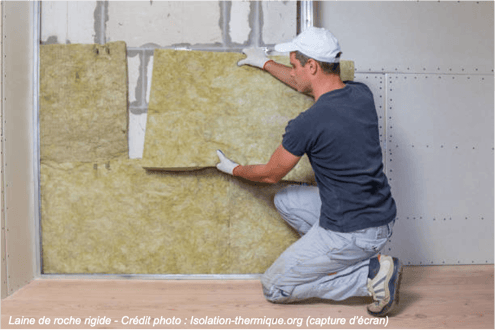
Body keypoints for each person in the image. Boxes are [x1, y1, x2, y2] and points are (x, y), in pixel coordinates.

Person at [215, 27, 402, 317]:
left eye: (294, 65)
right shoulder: (360, 94)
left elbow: (269, 174)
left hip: (351, 230)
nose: (292, 72)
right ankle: (344, 258)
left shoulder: (308, 123)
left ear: (312, 66)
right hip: (380, 218)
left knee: (275, 288)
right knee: (286, 200)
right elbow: (303, 82)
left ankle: (368, 276)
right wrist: (264, 62)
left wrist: (234, 169)